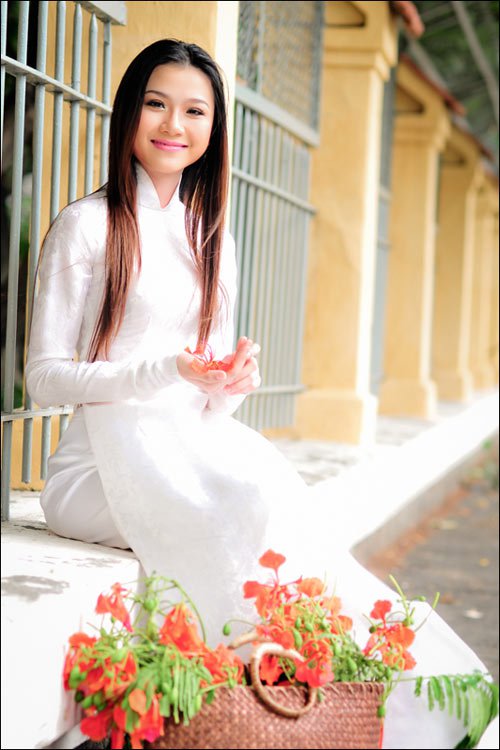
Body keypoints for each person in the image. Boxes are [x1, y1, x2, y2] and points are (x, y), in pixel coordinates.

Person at [26, 39, 496, 749]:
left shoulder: (210, 237)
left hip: (190, 451)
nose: (173, 125)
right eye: (156, 104)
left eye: (195, 111)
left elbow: (209, 391)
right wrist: (163, 370)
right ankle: (238, 702)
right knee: (236, 508)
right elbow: (44, 378)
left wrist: (228, 384)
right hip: (97, 472)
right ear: (128, 113)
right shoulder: (87, 226)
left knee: (279, 504)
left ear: (214, 128)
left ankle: (346, 698)